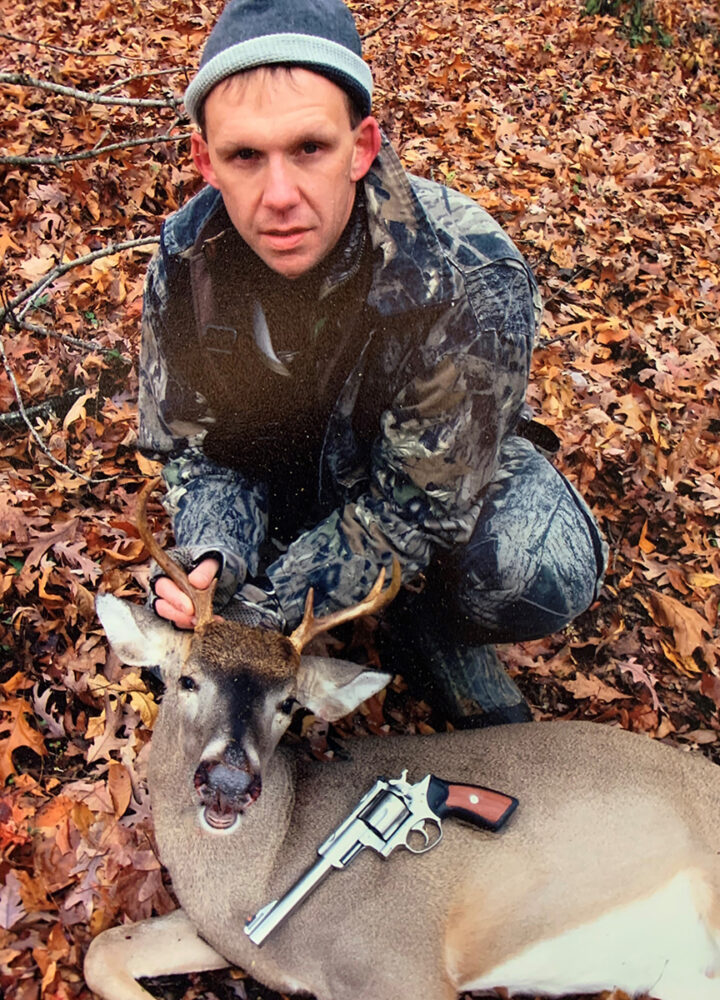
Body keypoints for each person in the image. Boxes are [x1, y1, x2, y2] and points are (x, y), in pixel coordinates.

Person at [139, 0, 607, 727]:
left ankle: (430, 629)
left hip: (407, 488)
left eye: (309, 149)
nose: (280, 197)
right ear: (206, 163)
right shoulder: (187, 257)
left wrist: (258, 615)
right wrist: (214, 555)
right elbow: (194, 450)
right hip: (282, 490)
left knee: (534, 564)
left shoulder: (466, 271)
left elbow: (416, 508)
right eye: (244, 157)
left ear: (361, 147)